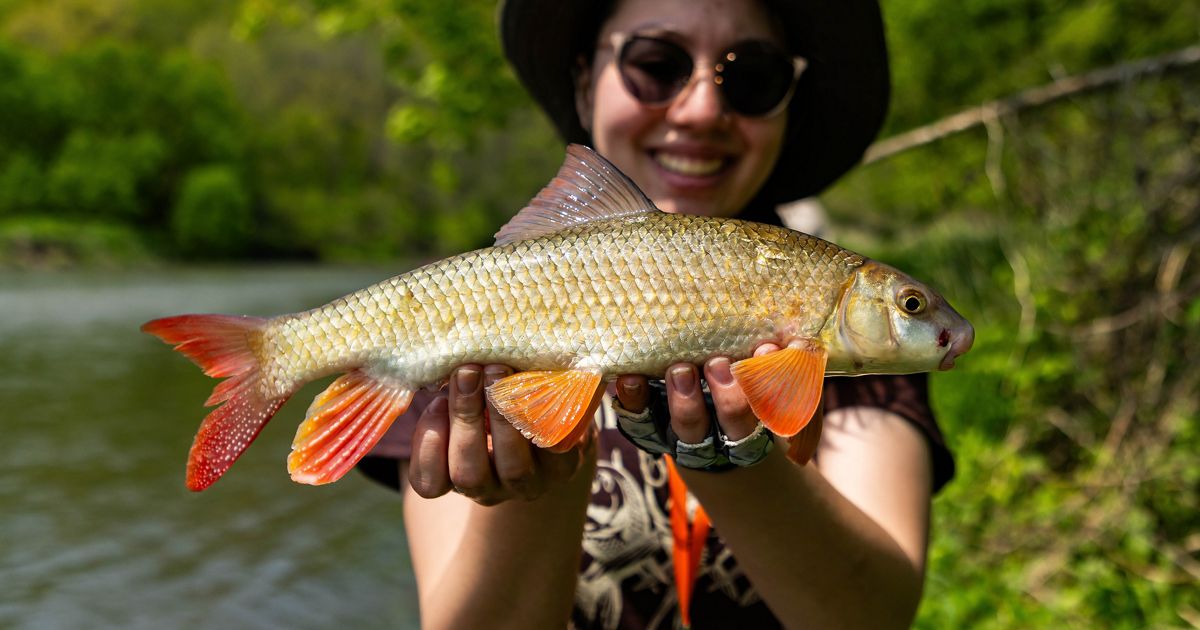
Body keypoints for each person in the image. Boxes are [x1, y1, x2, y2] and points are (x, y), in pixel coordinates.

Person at [357, 0, 956, 627]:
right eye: (655, 63)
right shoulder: (471, 306)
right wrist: (540, 469)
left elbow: (876, 618)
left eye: (751, 78)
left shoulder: (857, 342)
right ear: (587, 79)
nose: (701, 110)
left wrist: (732, 459)